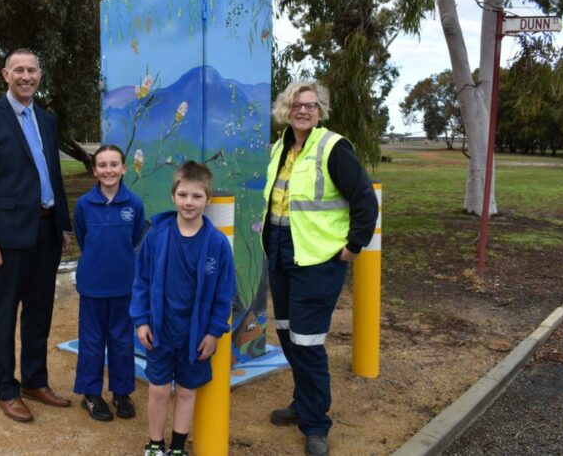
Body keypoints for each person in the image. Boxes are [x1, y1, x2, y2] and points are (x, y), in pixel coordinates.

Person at [261, 81, 378, 456]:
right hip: (281, 253)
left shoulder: (333, 147)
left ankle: (316, 425)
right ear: (286, 109)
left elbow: (364, 199)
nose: (303, 110)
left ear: (320, 110)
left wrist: (354, 246)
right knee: (286, 333)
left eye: (311, 105)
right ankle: (303, 402)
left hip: (318, 260)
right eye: (297, 104)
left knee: (307, 343)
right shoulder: (281, 147)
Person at [0, 48, 73, 423]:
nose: (26, 76)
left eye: (32, 70)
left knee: (39, 312)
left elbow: (53, 175)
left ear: (39, 75)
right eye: (19, 70)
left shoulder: (46, 120)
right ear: (5, 75)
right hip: (7, 236)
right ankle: (7, 390)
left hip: (45, 230)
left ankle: (34, 380)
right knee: (5, 313)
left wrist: (63, 224)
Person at [131, 161, 236, 456]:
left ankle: (177, 448)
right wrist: (141, 321)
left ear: (208, 199)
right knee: (158, 389)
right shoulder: (157, 235)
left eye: (197, 196)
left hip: (196, 335)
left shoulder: (216, 244)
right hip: (160, 330)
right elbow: (141, 280)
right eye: (183, 195)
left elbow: (224, 293)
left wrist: (215, 332)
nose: (189, 202)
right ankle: (155, 444)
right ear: (173, 196)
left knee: (188, 392)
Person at [73, 144, 146, 422]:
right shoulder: (83, 205)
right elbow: (82, 237)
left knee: (121, 341)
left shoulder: (134, 205)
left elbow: (136, 237)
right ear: (94, 170)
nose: (108, 170)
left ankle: (121, 392)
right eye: (102, 165)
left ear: (124, 168)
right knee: (91, 342)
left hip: (123, 287)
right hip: (92, 286)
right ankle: (91, 394)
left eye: (114, 164)